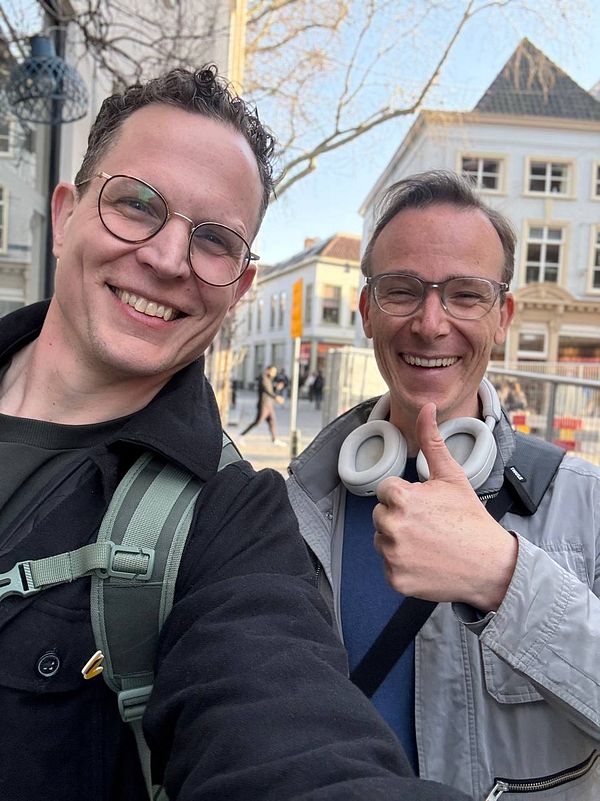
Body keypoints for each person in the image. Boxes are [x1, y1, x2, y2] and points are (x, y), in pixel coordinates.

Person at [0, 74, 471, 801]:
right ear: (66, 214)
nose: (165, 257)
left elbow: (293, 737)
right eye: (135, 204)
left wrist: (507, 579)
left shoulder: (233, 524)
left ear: (241, 285)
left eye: (213, 240)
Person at [287, 170, 600, 800]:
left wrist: (503, 579)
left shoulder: (585, 504)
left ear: (503, 316)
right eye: (402, 291)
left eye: (465, 295)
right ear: (367, 312)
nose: (431, 325)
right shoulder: (297, 508)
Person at [239, 364, 285, 445]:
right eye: (273, 371)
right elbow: (267, 391)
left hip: (269, 405)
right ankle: (241, 435)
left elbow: (270, 390)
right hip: (263, 405)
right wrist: (276, 397)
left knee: (272, 421)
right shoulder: (263, 378)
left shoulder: (268, 379)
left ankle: (275, 439)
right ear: (267, 370)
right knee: (258, 422)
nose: (274, 373)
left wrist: (277, 388)